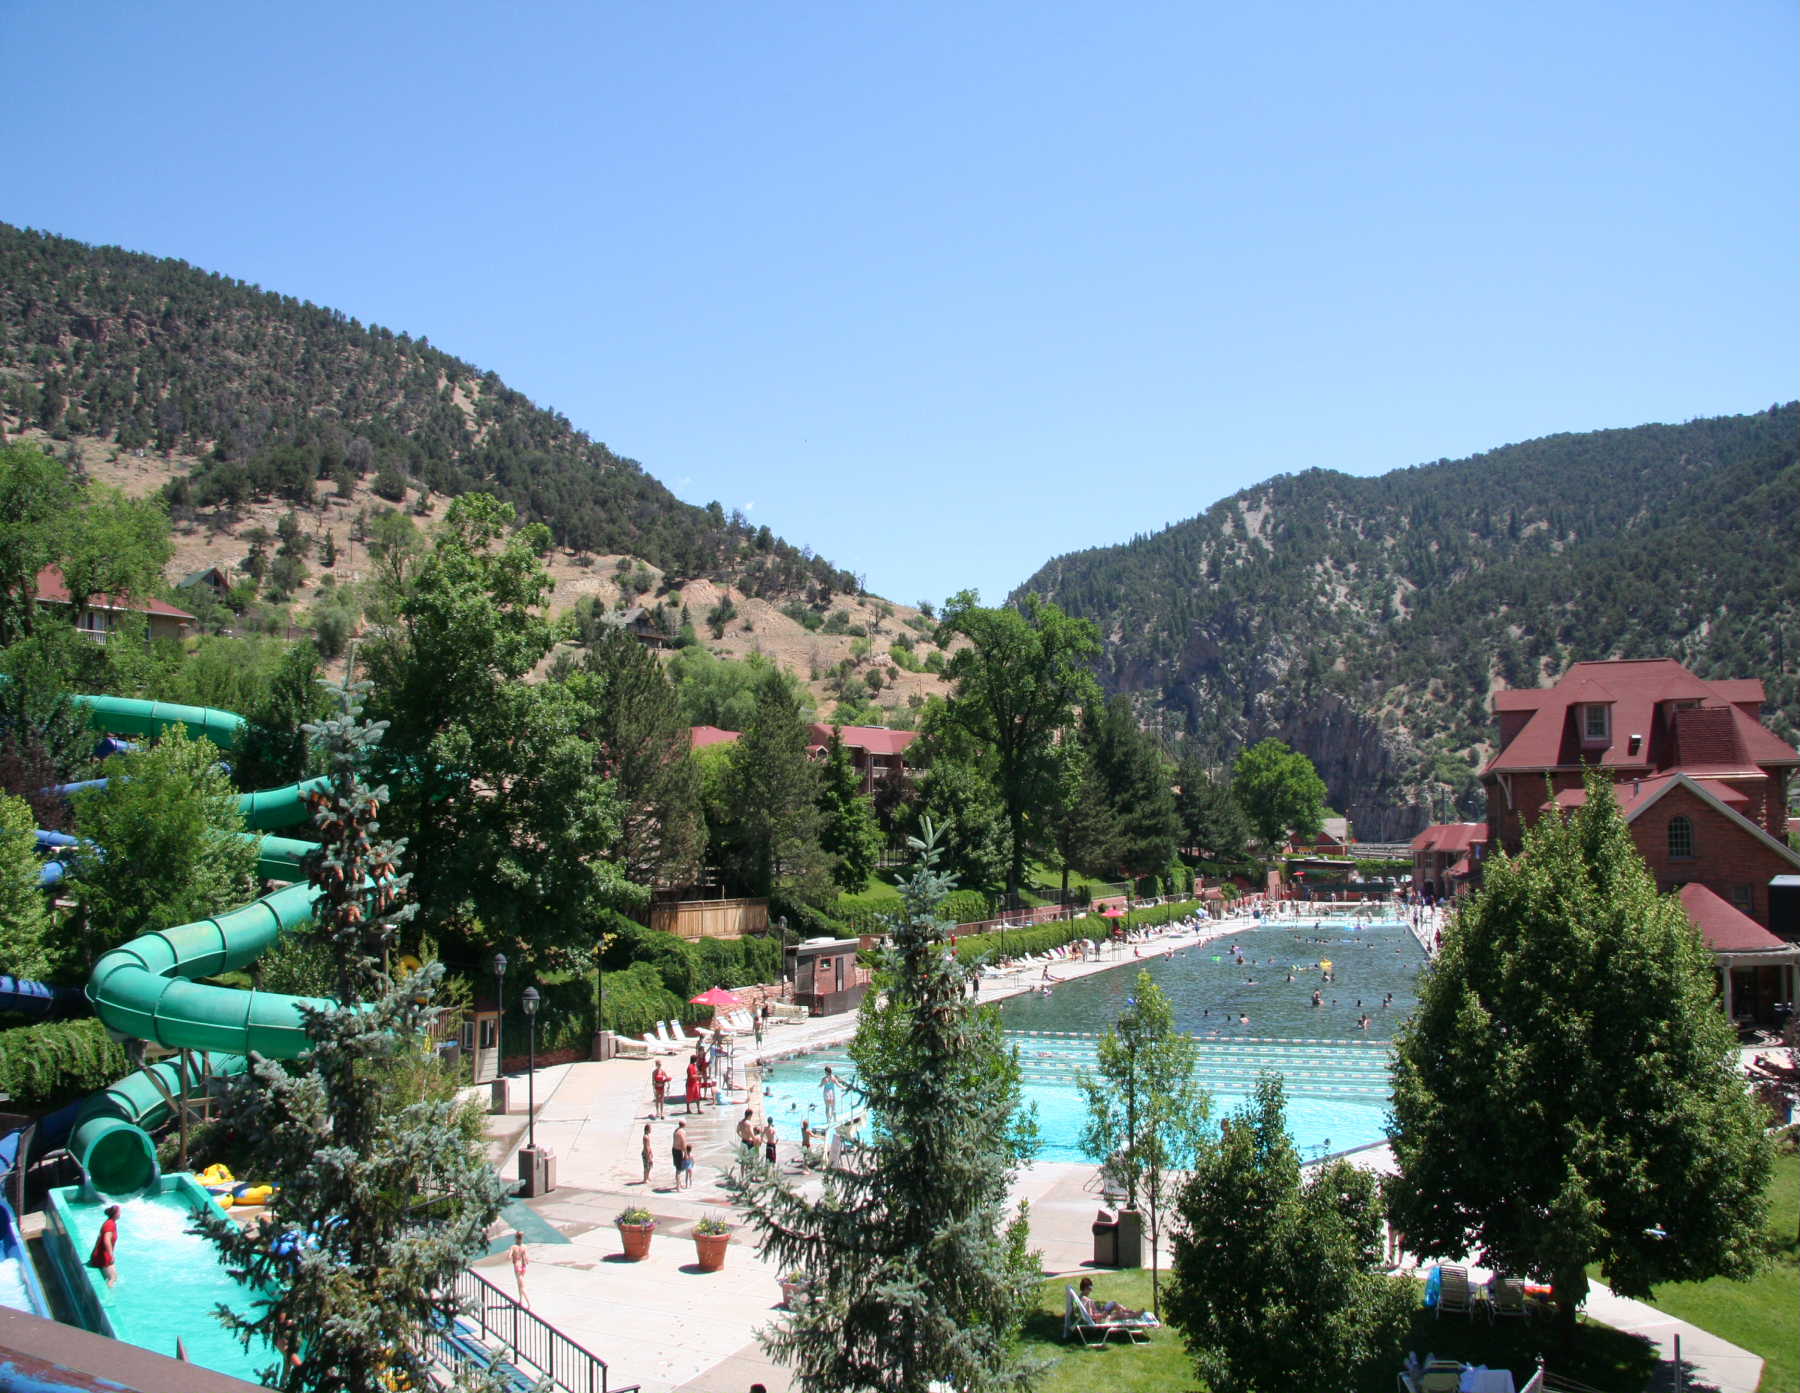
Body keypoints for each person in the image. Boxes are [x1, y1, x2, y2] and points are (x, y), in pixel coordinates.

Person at [1077, 1276, 1143, 1321]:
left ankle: (1134, 1314)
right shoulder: (1087, 1300)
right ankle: (1133, 1313)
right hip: (1101, 1317)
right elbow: (1091, 1316)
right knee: (1114, 1305)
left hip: (1100, 1312)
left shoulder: (1080, 1298)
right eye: (1089, 1289)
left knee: (1118, 1314)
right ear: (1085, 1288)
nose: (1091, 1291)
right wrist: (1102, 1315)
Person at [87, 1203, 120, 1287]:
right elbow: (106, 1240)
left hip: (103, 1254)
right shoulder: (109, 1225)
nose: (120, 1214)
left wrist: (93, 1252)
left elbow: (99, 1238)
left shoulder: (111, 1223)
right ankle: (109, 1298)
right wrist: (111, 1255)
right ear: (115, 1214)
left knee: (115, 1277)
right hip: (103, 1256)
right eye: (119, 1212)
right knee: (112, 1278)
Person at [510, 1232, 530, 1309]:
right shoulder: (524, 1247)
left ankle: (529, 1303)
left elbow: (508, 1256)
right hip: (523, 1267)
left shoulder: (513, 1247)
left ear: (515, 1237)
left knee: (522, 1286)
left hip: (517, 1267)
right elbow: (526, 1258)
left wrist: (513, 1257)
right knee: (519, 1285)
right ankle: (520, 1301)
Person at [673, 1120, 693, 1190]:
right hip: (678, 1151)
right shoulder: (682, 1132)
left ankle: (678, 1184)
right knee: (679, 1170)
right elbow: (684, 1143)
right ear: (684, 1125)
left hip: (674, 1149)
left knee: (677, 1168)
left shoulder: (676, 1130)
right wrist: (686, 1154)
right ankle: (678, 1187)